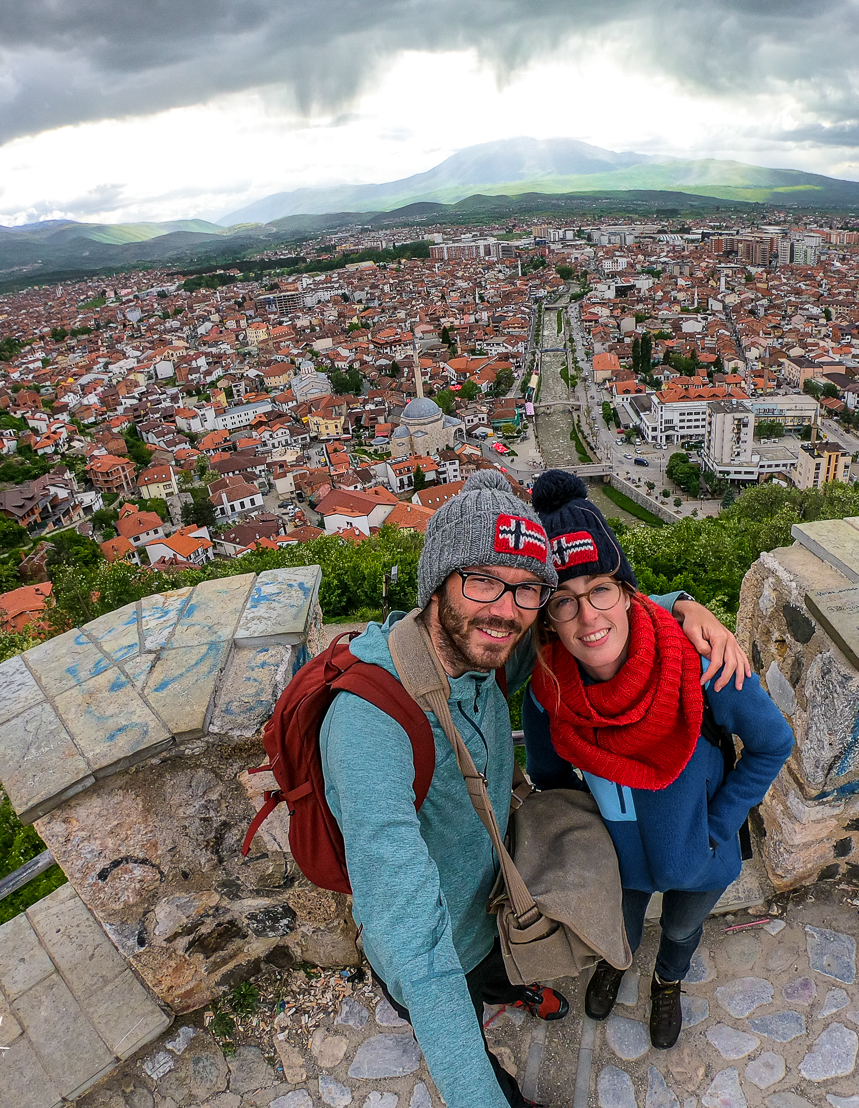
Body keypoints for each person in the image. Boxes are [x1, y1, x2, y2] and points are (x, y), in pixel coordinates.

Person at [318, 470, 751, 1108]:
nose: (505, 609)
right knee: (469, 1029)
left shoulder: (489, 650)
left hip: (498, 900)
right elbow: (412, 938)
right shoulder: (370, 722)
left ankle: (513, 988)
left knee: (499, 970)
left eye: (525, 588)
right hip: (438, 943)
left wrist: (684, 605)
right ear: (437, 583)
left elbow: (594, 620)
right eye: (483, 579)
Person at [522, 470, 794, 1050]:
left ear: (626, 592)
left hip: (703, 853)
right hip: (617, 865)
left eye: (600, 589)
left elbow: (773, 743)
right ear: (548, 619)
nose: (588, 616)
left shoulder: (697, 663)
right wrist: (594, 838)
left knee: (680, 929)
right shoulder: (547, 691)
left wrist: (716, 827)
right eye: (564, 602)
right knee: (617, 927)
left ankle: (666, 984)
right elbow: (548, 777)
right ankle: (616, 964)